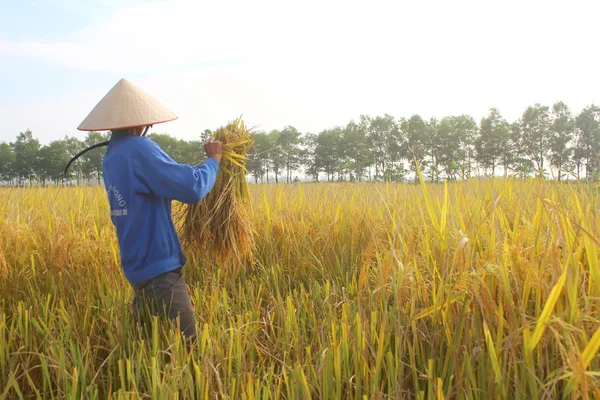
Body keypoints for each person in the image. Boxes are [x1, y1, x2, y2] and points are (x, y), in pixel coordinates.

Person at [76, 78, 222, 342]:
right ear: (141, 122)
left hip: (137, 268)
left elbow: (164, 179)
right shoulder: (139, 150)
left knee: (149, 355)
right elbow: (192, 188)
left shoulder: (112, 155)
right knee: (188, 354)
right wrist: (213, 162)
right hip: (160, 273)